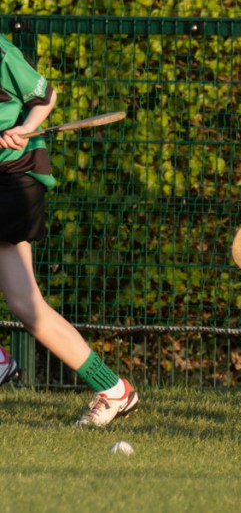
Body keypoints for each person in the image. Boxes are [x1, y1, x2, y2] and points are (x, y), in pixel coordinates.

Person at [0, 34, 139, 427]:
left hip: (14, 179)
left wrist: (26, 128)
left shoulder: (2, 55)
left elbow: (46, 97)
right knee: (27, 306)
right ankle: (114, 389)